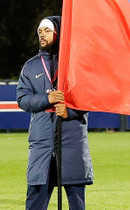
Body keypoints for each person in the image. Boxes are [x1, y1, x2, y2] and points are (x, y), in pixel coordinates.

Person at [17, 16, 93, 210]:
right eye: (40, 31)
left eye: (47, 31)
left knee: (77, 203)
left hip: (71, 141)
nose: (42, 34)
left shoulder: (74, 64)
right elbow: (22, 99)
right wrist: (46, 99)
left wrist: (70, 112)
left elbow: (88, 96)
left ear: (58, 34)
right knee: (35, 202)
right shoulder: (31, 66)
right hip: (42, 143)